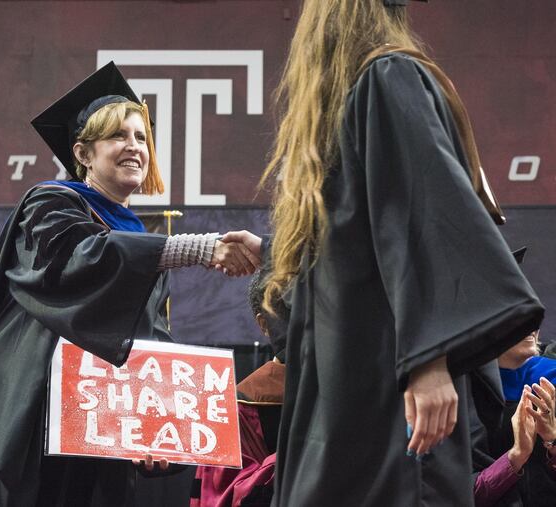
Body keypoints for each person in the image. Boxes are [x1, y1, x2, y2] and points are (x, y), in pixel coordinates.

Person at [237, 0, 545, 505]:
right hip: (378, 387)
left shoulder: (362, 90)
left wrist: (427, 359)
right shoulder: (385, 78)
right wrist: (427, 360)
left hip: (364, 388)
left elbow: (407, 224)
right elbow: (408, 223)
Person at [0, 62, 261, 507]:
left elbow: (150, 349)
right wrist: (197, 248)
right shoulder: (48, 206)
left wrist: (157, 430)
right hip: (31, 416)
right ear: (83, 154)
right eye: (118, 136)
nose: (134, 147)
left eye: (141, 137)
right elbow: (85, 261)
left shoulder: (141, 246)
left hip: (99, 430)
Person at [191, 269, 289, 507]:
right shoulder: (238, 408)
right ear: (263, 324)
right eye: (286, 309)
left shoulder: (361, 390)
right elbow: (221, 496)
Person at [471, 330, 556, 506]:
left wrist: (552, 441)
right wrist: (516, 456)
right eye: (519, 315)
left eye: (533, 316)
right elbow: (457, 493)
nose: (532, 326)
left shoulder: (550, 379)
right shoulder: (459, 393)